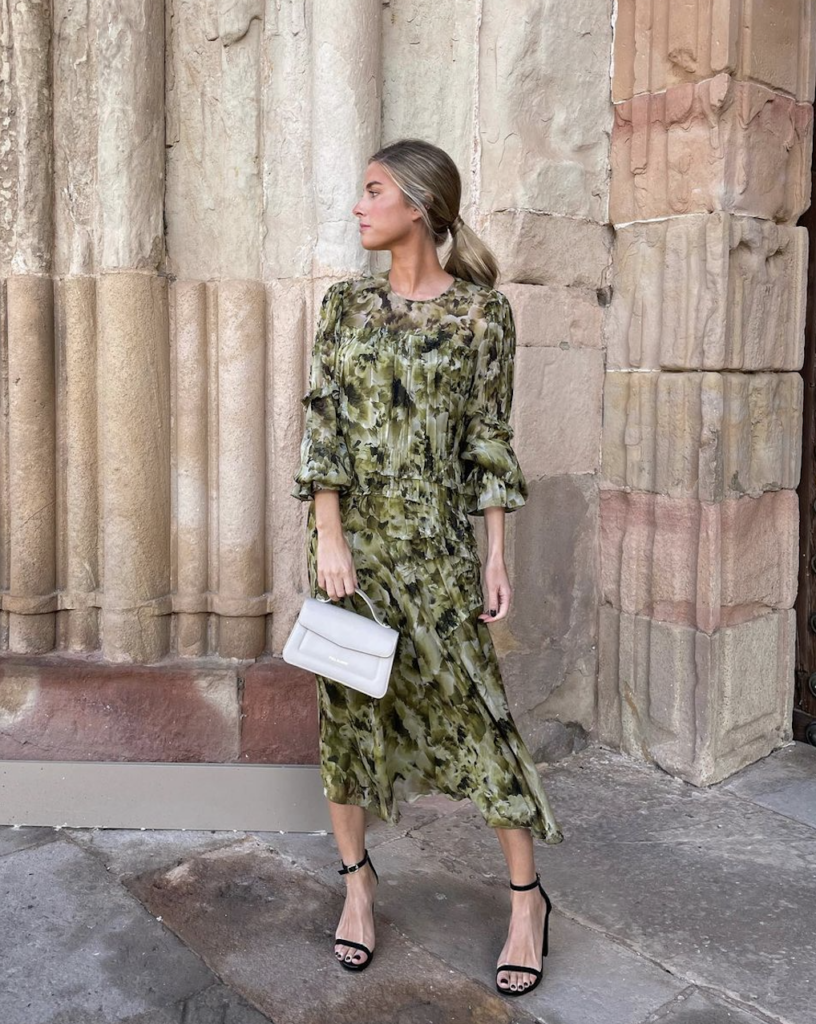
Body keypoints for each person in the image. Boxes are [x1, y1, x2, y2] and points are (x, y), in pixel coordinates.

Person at [291, 138, 564, 997]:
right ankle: (358, 886)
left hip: (439, 550)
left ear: (418, 203)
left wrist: (495, 553)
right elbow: (324, 429)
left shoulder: (484, 316)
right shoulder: (344, 308)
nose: (360, 207)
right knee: (348, 714)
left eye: (373, 191)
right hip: (354, 553)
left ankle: (528, 902)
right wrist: (330, 537)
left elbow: (488, 439)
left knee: (481, 716)